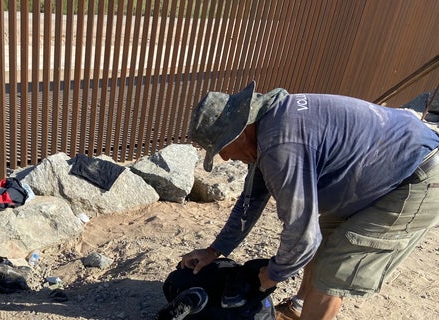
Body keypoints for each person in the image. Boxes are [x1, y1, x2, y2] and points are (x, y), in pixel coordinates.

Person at [180, 80, 439, 320]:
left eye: (221, 148)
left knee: (334, 268)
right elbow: (252, 198)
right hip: (389, 166)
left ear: (240, 133)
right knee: (324, 242)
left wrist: (273, 274)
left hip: (417, 177)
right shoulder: (269, 123)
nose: (224, 158)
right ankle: (299, 308)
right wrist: (215, 250)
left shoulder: (280, 146)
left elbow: (303, 236)